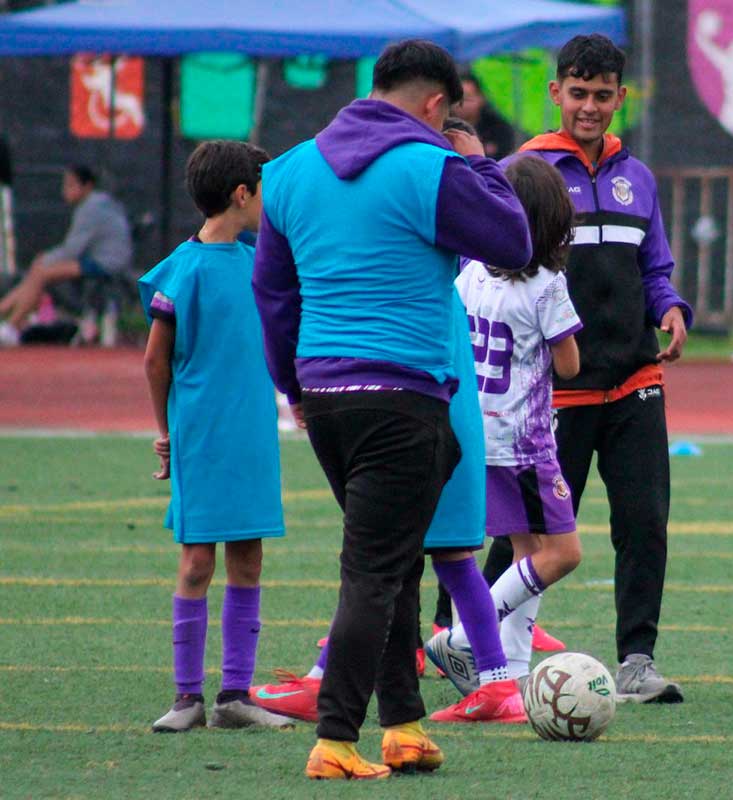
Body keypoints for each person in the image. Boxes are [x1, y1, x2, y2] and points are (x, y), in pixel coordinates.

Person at [251, 40, 531, 779]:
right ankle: (336, 739)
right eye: (454, 117)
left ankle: (403, 726)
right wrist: (473, 158)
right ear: (438, 106)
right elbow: (514, 236)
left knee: (397, 560)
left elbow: (274, 296)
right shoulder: (431, 165)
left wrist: (293, 388)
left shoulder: (285, 172)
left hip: (325, 392)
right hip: (404, 393)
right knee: (375, 571)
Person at [505, 34, 691, 704]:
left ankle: (637, 662)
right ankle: (469, 643)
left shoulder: (635, 175)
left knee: (644, 522)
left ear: (621, 96)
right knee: (526, 534)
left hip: (636, 384)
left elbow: (655, 269)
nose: (590, 107)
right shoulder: (523, 173)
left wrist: (670, 309)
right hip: (554, 391)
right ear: (556, 93)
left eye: (603, 95)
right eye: (577, 93)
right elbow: (500, 268)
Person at [139, 141, 292, 734]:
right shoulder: (183, 268)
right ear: (241, 194)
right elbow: (156, 362)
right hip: (201, 433)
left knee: (249, 556)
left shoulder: (262, 261)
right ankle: (185, 698)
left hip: (252, 431)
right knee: (198, 560)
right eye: (264, 190)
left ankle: (233, 695)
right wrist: (166, 431)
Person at [424, 155, 584, 706]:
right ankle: (464, 637)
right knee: (562, 553)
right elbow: (569, 366)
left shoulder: (470, 273)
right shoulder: (546, 284)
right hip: (524, 442)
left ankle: (510, 675)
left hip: (475, 432)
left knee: (526, 548)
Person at [0, 164, 132, 345]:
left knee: (42, 272)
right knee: (40, 271)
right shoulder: (96, 204)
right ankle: (8, 322)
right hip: (100, 260)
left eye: (70, 185)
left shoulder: (92, 207)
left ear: (87, 187)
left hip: (106, 263)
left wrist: (44, 259)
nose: (65, 191)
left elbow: (72, 250)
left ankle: (11, 327)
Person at [457, 70, 521, 159]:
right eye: (456, 98)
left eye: (468, 99)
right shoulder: (442, 127)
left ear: (481, 98)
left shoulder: (498, 129)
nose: (462, 104)